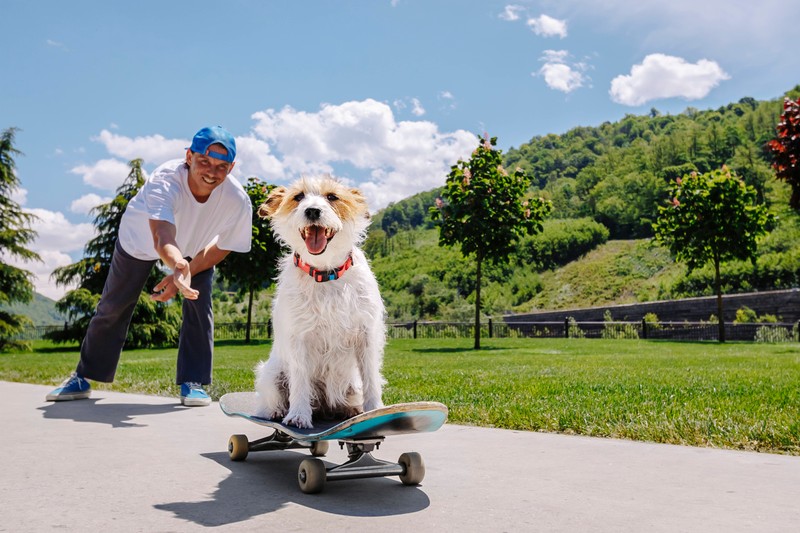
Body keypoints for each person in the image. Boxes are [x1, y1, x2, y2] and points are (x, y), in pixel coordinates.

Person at [46, 126, 252, 407]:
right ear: (189, 157)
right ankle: (83, 376)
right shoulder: (166, 180)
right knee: (114, 305)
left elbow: (225, 245)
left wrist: (187, 267)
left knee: (199, 303)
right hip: (139, 241)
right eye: (204, 161)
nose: (212, 172)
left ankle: (193, 381)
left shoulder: (237, 199)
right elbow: (161, 236)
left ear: (232, 167)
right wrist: (177, 265)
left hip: (193, 248)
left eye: (222, 167)